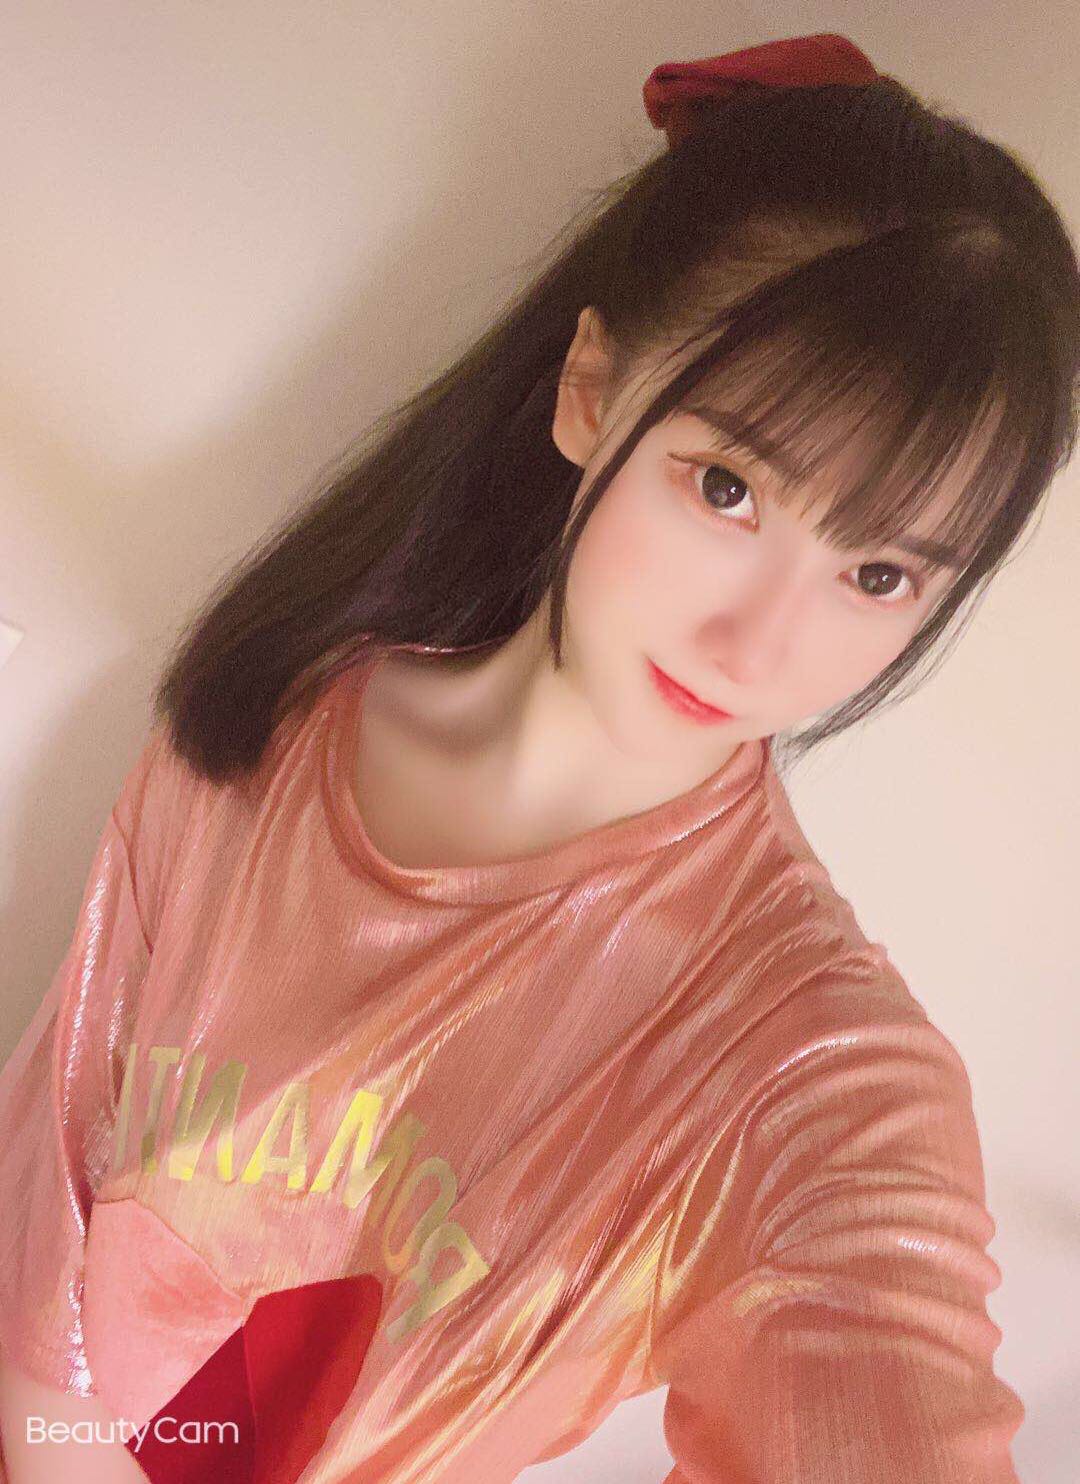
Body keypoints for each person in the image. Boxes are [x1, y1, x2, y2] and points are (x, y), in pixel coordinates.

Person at [0, 29, 1076, 1484]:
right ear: (590, 390)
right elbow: (47, 1188)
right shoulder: (270, 721)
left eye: (878, 574)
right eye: (728, 487)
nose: (757, 648)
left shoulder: (804, 1067)